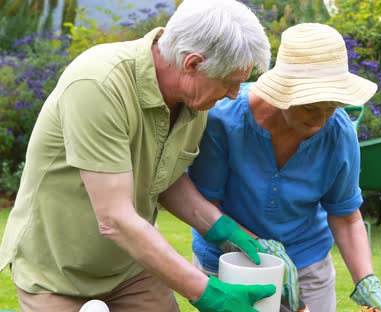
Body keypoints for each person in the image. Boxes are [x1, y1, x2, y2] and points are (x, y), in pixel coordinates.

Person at [0, 0, 276, 311]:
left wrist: (221, 228)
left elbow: (162, 176)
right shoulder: (99, 83)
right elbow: (115, 218)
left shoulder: (195, 100)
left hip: (132, 268)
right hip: (56, 272)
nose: (232, 94)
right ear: (193, 63)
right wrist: (208, 292)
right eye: (229, 82)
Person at [188, 23, 381, 312]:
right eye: (310, 107)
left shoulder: (338, 132)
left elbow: (345, 217)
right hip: (228, 263)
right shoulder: (225, 121)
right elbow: (204, 206)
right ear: (282, 92)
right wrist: (260, 250)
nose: (321, 121)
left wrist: (367, 282)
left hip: (306, 263)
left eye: (331, 106)